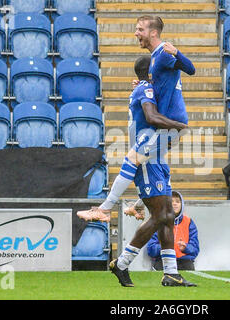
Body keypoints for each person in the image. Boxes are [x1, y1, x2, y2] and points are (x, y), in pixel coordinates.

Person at [77, 16, 197, 287]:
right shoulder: (148, 79)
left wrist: (176, 53)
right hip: (159, 135)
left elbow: (189, 69)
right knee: (162, 214)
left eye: (140, 29)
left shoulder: (161, 58)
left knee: (164, 212)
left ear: (153, 32)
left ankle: (162, 269)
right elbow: (152, 106)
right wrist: (147, 90)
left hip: (161, 136)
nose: (135, 33)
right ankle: (147, 265)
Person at [147, 191, 199, 271]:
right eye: (171, 201)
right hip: (163, 260)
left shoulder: (189, 222)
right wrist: (165, 247)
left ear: (182, 205)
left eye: (177, 202)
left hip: (184, 261)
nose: (175, 204)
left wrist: (186, 247)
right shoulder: (158, 221)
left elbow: (195, 249)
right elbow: (151, 249)